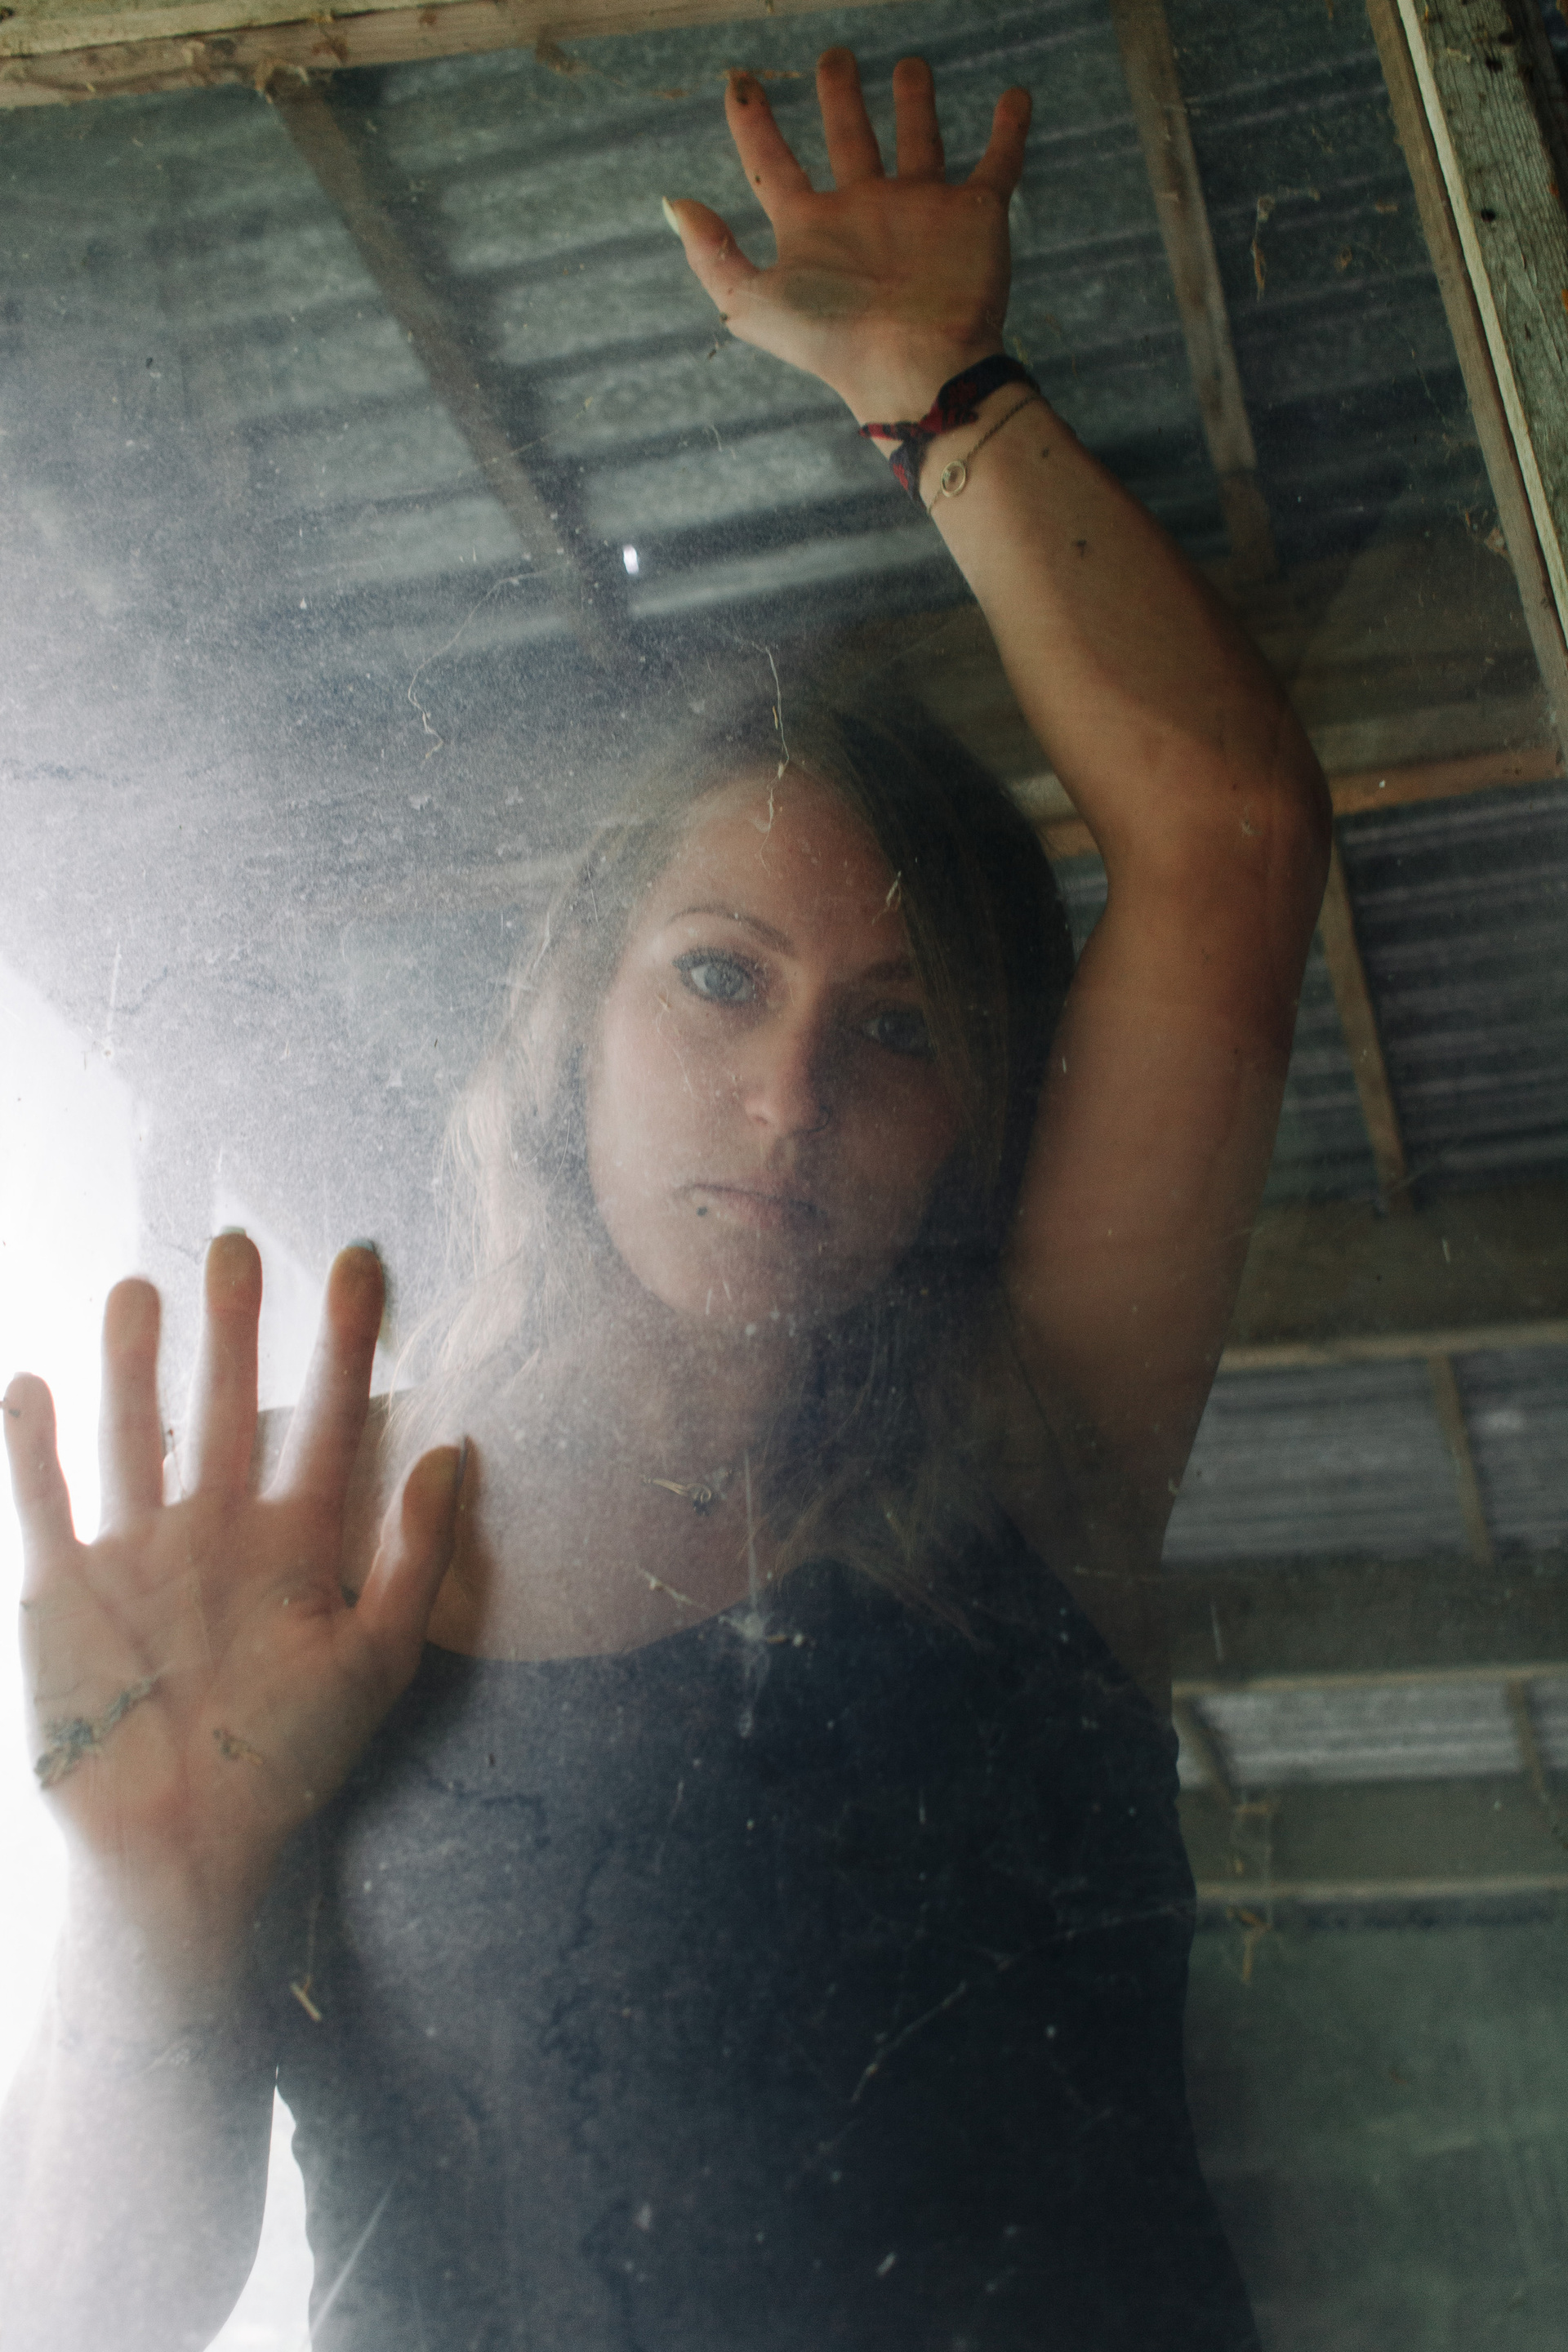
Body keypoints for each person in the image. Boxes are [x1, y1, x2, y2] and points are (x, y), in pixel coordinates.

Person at [0, 50, 1329, 2352]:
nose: (789, 1096)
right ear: (567, 1022)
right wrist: (156, 1897)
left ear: (973, 1119)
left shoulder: (1029, 1450)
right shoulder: (326, 1552)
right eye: (719, 978)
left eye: (898, 1029)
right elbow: (91, 2300)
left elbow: (1224, 835)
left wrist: (944, 394)